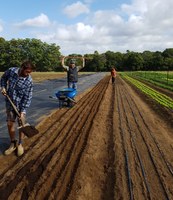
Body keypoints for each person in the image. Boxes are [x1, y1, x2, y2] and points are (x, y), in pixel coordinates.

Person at [0, 60, 34, 156]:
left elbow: (28, 97)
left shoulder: (29, 81)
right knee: (10, 123)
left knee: (21, 123)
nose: (28, 74)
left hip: (21, 105)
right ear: (22, 68)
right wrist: (3, 87)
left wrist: (22, 111)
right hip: (10, 102)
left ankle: (20, 144)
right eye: (27, 72)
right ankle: (13, 142)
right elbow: (3, 78)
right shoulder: (11, 71)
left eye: (30, 72)